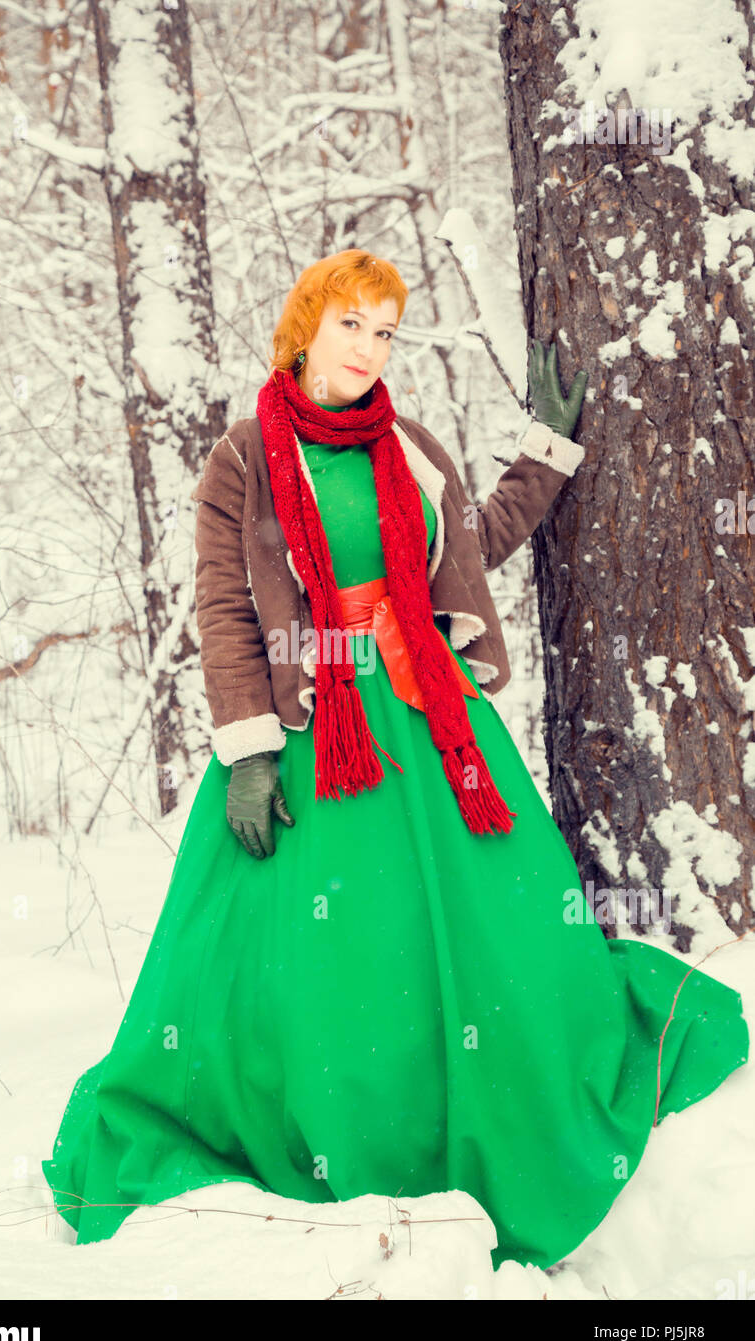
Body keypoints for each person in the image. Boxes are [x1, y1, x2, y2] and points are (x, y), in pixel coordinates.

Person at [41, 248, 748, 1273]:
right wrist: (247, 750)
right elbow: (224, 610)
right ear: (304, 331)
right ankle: (344, 1155)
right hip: (313, 735)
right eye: (351, 326)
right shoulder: (243, 459)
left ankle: (505, 1124)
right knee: (334, 966)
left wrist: (545, 451)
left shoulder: (407, 447)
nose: (369, 349)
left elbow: (468, 543)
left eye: (385, 332)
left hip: (428, 720)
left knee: (498, 944)